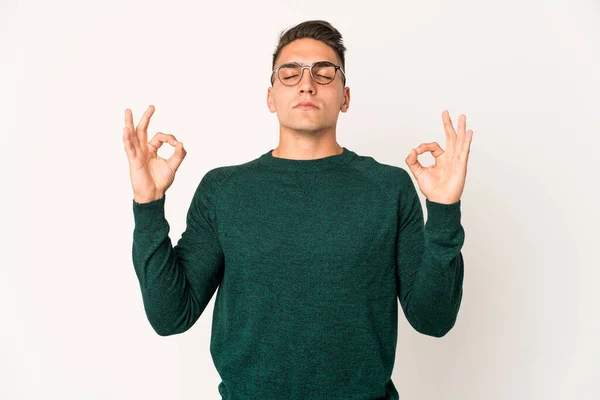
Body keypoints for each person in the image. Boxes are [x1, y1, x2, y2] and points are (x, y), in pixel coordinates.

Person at [122, 19, 473, 400]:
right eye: (290, 74)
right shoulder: (224, 191)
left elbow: (433, 320)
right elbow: (170, 316)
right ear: (270, 96)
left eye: (324, 74)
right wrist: (148, 204)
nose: (307, 83)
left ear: (346, 96)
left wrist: (443, 210)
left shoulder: (389, 188)